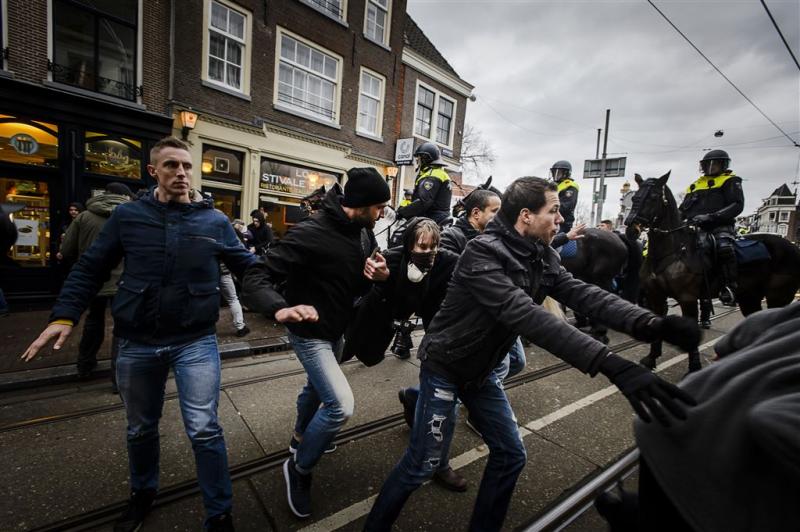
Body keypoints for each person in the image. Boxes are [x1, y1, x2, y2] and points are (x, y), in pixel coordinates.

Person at [364, 176, 700, 532]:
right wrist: (611, 364)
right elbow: (525, 314)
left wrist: (650, 324)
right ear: (525, 216)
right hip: (446, 366)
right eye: (553, 211)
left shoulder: (542, 254)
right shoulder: (483, 252)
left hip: (481, 371)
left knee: (510, 455)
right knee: (422, 464)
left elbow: (582, 293)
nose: (560, 219)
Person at [21, 136, 257, 532]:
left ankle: (219, 513)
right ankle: (142, 493)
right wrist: (64, 316)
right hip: (136, 341)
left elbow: (250, 267)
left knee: (204, 428)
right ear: (153, 172)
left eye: (186, 166)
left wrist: (284, 298)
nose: (181, 173)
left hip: (195, 341)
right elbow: (89, 268)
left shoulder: (213, 221)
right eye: (171, 166)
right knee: (141, 427)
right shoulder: (129, 217)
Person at [241, 167, 391, 519]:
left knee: (315, 389)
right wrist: (279, 308)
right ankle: (300, 468)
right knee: (340, 405)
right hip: (310, 334)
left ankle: (298, 437)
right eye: (380, 206)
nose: (383, 212)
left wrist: (379, 276)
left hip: (338, 329)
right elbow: (255, 274)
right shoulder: (311, 233)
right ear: (362, 203)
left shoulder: (365, 233)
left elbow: (360, 282)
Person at [597, 302, 800, 532]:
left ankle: (721, 288)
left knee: (716, 264)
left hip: (674, 430)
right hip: (695, 445)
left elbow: (748, 330)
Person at [59, 182, 132, 386]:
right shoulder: (132, 216)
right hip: (124, 282)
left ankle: (85, 364)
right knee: (123, 328)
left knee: (93, 321)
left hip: (94, 281)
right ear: (125, 197)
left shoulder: (84, 217)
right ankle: (118, 379)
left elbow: (66, 250)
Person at [679, 149, 744, 306]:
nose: (711, 167)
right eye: (708, 164)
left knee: (724, 248)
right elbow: (683, 209)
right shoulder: (694, 185)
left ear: (723, 165)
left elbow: (737, 205)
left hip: (720, 227)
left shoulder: (731, 180)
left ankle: (730, 287)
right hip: (695, 228)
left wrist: (711, 216)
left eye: (715, 164)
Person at [396, 142, 452, 225]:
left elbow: (423, 202)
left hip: (431, 221)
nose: (417, 161)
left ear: (425, 158)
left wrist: (402, 212)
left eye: (418, 159)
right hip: (438, 219)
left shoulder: (432, 175)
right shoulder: (441, 174)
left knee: (401, 236)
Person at [220, 218, 251, 338]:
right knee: (233, 299)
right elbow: (239, 249)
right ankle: (240, 327)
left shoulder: (203, 230)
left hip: (208, 272)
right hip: (224, 271)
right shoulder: (230, 233)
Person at [550, 160, 578, 235]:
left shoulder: (570, 186)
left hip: (563, 221)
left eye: (558, 172)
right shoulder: (554, 185)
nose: (555, 175)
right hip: (551, 218)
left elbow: (567, 206)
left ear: (566, 173)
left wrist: (549, 209)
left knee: (553, 239)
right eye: (554, 172)